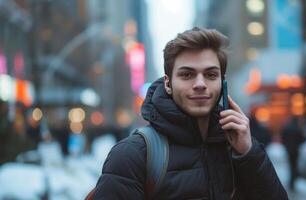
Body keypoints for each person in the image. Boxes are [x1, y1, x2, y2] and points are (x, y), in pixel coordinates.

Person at [92, 27, 288, 199]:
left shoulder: (240, 147)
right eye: (187, 75)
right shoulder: (132, 154)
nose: (200, 84)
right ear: (168, 83)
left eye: (211, 75)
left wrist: (249, 154)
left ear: (223, 82)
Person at [281, 116, 305, 191]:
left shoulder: (287, 128)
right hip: (295, 150)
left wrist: (285, 145)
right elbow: (302, 139)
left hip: (288, 150)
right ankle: (293, 182)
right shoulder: (298, 129)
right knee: (294, 166)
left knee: (291, 166)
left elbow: (283, 138)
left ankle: (291, 181)